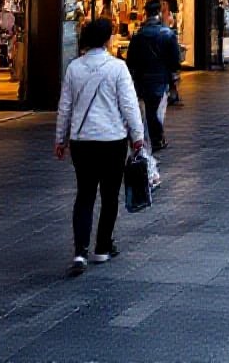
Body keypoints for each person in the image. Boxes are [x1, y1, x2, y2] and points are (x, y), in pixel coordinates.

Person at [55, 17, 145, 276]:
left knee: (84, 195)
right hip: (112, 140)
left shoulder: (74, 68)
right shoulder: (117, 68)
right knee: (109, 196)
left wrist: (60, 139)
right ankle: (103, 246)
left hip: (82, 141)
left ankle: (80, 251)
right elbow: (129, 105)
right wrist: (137, 136)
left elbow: (65, 108)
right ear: (107, 40)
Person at [125, 0, 181, 152]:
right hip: (161, 78)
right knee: (154, 109)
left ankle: (153, 138)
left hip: (142, 79)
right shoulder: (167, 34)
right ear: (158, 14)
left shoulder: (138, 36)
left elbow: (131, 60)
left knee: (149, 108)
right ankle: (156, 138)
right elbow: (175, 60)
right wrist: (173, 76)